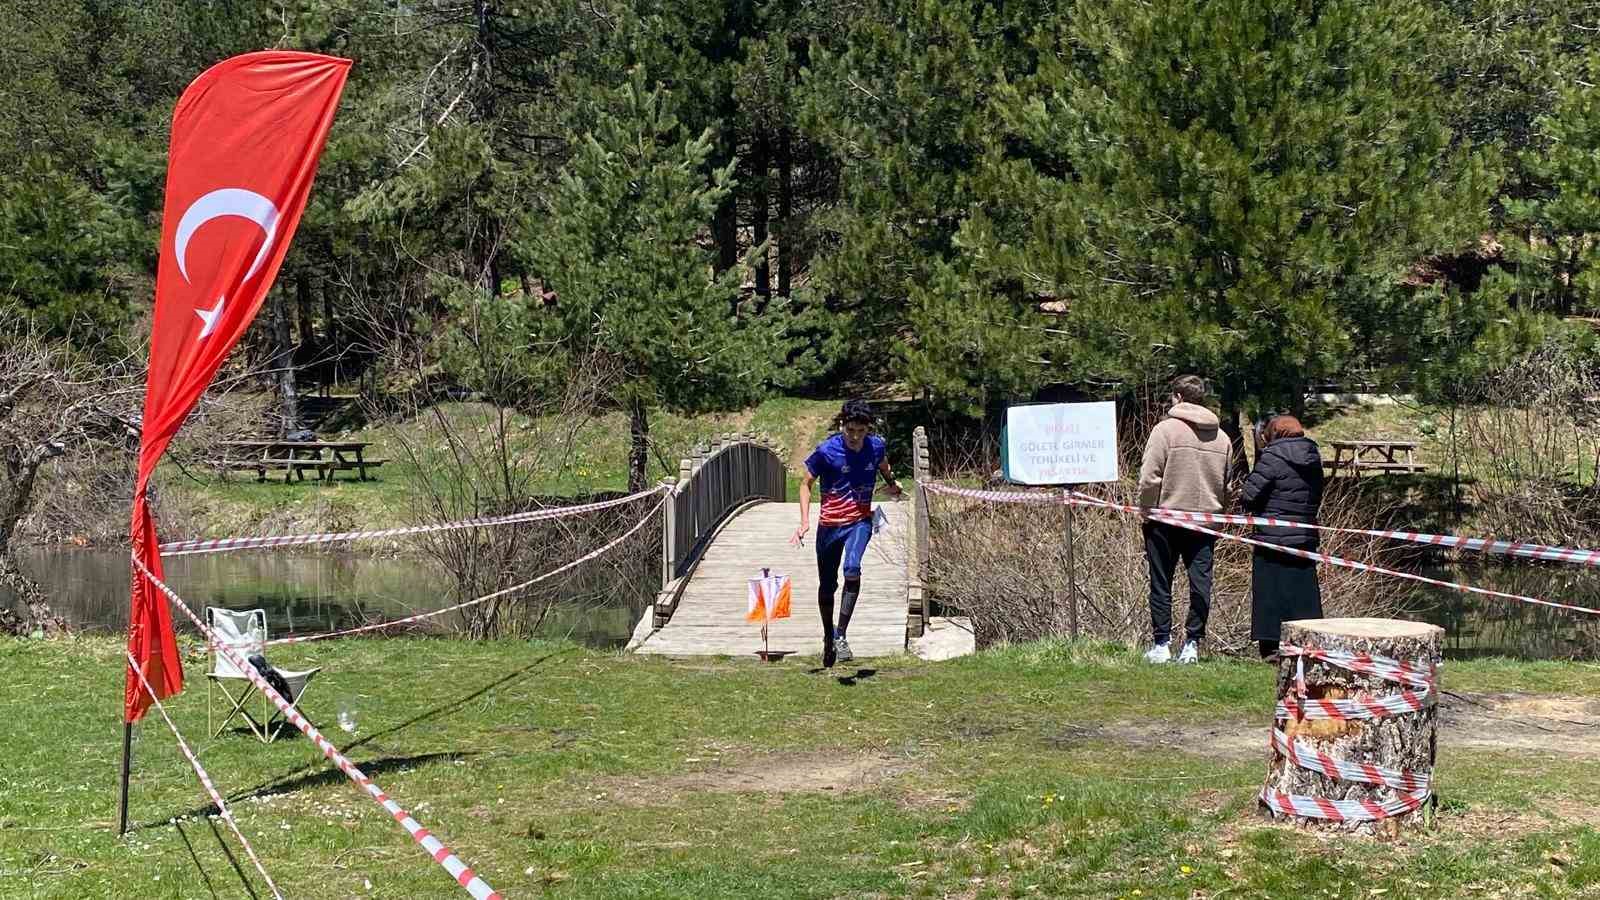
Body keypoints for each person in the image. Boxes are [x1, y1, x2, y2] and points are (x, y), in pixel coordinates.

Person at [791, 400, 903, 666]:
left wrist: (892, 484)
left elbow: (884, 466)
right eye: (850, 430)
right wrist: (804, 521)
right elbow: (805, 484)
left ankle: (841, 634)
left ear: (868, 430)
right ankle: (828, 638)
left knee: (852, 568)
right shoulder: (827, 450)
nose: (855, 437)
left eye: (861, 431)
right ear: (843, 425)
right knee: (827, 586)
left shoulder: (876, 446)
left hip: (859, 521)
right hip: (829, 525)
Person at [1137, 375, 1231, 664]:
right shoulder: (1223, 437)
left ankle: (1162, 644)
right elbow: (1226, 484)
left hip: (1165, 517)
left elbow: (1149, 477)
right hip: (1205, 521)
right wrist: (1220, 513)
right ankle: (1192, 644)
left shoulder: (1165, 430)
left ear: (1177, 397)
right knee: (1201, 583)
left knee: (1161, 581)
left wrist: (1146, 509)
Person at [1241, 414, 1324, 661]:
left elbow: (1249, 495)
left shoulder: (1272, 457)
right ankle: (1306, 645)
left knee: (1271, 593)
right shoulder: (1313, 456)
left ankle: (1271, 648)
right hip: (1304, 535)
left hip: (1272, 537)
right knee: (1303, 594)